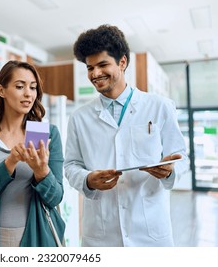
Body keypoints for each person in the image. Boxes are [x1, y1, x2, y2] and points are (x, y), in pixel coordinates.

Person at [64, 24, 189, 247]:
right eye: (90, 67)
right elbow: (71, 164)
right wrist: (88, 180)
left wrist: (169, 171)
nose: (95, 74)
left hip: (149, 231)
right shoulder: (79, 117)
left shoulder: (159, 107)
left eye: (102, 64)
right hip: (102, 235)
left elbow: (181, 158)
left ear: (122, 62)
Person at [0, 60, 65, 247]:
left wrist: (42, 171)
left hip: (38, 236)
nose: (28, 93)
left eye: (33, 87)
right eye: (20, 86)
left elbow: (56, 197)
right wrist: (10, 162)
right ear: (1, 91)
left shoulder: (46, 134)